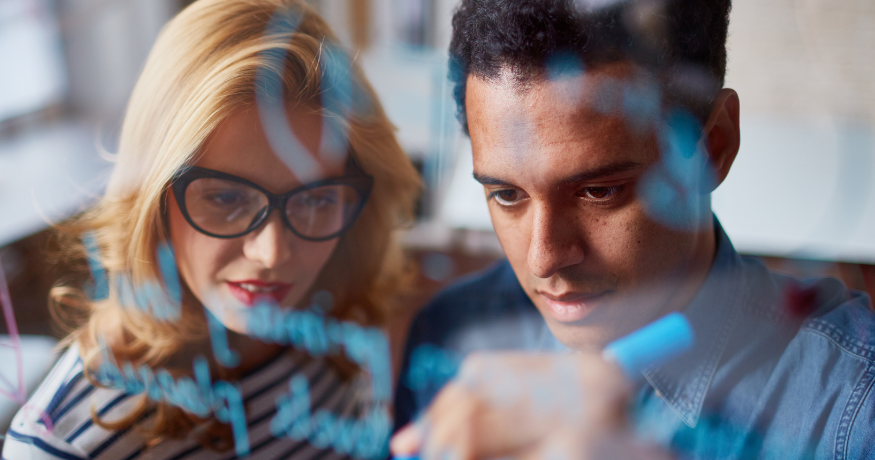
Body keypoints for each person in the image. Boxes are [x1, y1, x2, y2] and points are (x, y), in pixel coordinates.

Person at [391, 1, 875, 459]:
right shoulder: (452, 334)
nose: (544, 258)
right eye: (507, 194)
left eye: (599, 191)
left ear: (714, 148)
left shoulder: (852, 408)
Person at [2, 0, 420, 458]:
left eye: (316, 200)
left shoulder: (336, 329)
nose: (272, 253)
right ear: (152, 201)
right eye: (226, 199)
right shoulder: (65, 446)